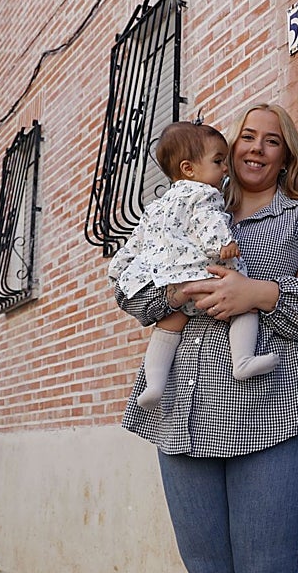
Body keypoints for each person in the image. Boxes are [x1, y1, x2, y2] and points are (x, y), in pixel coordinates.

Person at [115, 103, 298, 573]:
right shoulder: (177, 207)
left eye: (272, 140)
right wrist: (175, 291)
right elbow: (128, 286)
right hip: (183, 412)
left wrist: (260, 292)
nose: (256, 148)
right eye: (248, 136)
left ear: (286, 155)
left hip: (280, 413)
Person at [109, 121, 277, 411]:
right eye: (217, 161)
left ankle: (155, 386)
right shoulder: (205, 193)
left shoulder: (156, 206)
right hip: (202, 273)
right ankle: (243, 360)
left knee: (168, 327)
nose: (225, 168)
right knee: (244, 307)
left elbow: (137, 242)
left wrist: (118, 268)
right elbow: (208, 220)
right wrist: (221, 243)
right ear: (189, 169)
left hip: (169, 280)